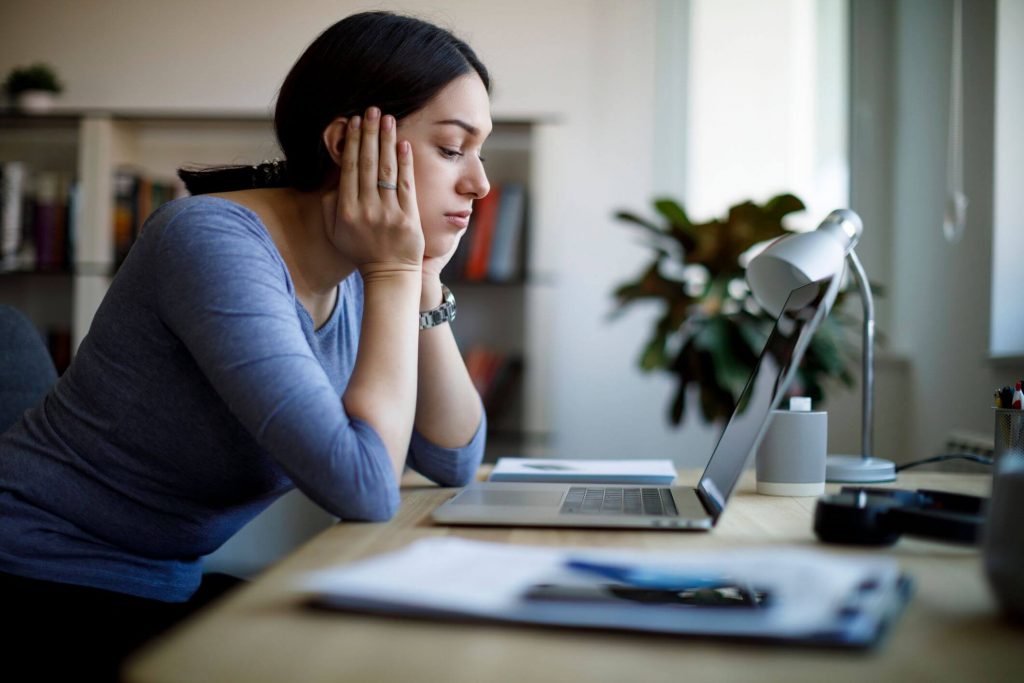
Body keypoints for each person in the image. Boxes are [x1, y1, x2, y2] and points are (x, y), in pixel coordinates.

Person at [0, 11, 490, 679]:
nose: (479, 183)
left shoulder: (354, 276)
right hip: (41, 579)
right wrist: (398, 272)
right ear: (349, 143)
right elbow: (367, 487)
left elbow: (455, 457)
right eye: (453, 148)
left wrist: (425, 279)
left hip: (157, 583)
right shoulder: (210, 240)